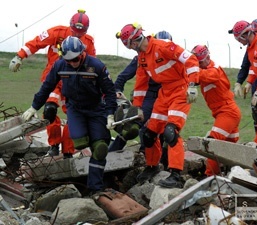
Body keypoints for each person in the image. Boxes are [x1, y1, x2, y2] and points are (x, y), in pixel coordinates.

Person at [21, 36, 117, 194]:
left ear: (82, 53)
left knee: (100, 149)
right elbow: (46, 87)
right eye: (69, 60)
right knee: (79, 141)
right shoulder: (60, 65)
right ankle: (90, 145)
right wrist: (34, 107)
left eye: (76, 59)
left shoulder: (97, 66)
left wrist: (110, 114)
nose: (73, 63)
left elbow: (110, 92)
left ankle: (95, 188)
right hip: (75, 109)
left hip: (95, 109)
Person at [116, 23, 200, 188]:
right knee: (149, 133)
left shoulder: (163, 46)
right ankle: (152, 166)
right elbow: (141, 84)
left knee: (170, 132)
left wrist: (192, 84)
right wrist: (138, 108)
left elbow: (190, 58)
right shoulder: (142, 57)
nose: (131, 48)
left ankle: (176, 174)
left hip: (180, 90)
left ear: (134, 41)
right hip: (164, 94)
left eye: (129, 45)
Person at [9, 9, 96, 159]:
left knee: (73, 117)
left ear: (86, 31)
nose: (76, 35)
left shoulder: (88, 42)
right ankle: (54, 145)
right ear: (70, 26)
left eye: (80, 33)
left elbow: (92, 64)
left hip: (73, 83)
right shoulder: (57, 32)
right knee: (49, 110)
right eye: (74, 31)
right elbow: (37, 42)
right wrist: (19, 56)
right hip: (53, 79)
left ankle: (68, 152)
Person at [109, 30, 173, 170]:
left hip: (167, 96)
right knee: (134, 125)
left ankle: (165, 164)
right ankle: (112, 155)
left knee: (166, 130)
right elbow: (123, 76)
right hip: (147, 96)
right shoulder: (141, 58)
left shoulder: (172, 55)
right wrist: (117, 90)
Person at [190, 45, 241, 176]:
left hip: (227, 112)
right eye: (197, 63)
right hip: (225, 112)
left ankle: (210, 176)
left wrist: (190, 71)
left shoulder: (214, 70)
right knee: (228, 148)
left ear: (208, 57)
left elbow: (204, 76)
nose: (199, 65)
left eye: (200, 62)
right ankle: (230, 174)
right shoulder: (205, 69)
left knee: (212, 143)